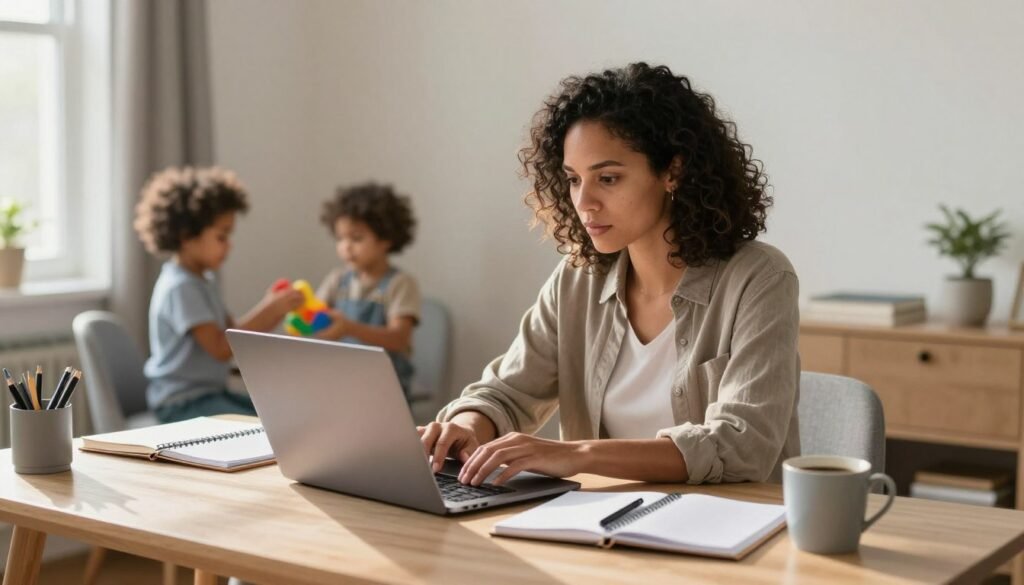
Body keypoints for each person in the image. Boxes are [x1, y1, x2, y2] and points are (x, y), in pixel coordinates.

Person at [419, 62, 800, 487]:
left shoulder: (759, 278)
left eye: (608, 178)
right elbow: (508, 393)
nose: (585, 202)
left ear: (673, 171)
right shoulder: (578, 278)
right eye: (573, 180)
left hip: (728, 528)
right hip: (600, 530)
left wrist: (576, 454)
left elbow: (740, 447)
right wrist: (467, 426)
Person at [134, 166, 303, 423]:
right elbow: (221, 348)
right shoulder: (181, 287)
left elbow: (235, 332)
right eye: (221, 236)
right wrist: (271, 308)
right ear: (186, 237)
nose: (229, 245)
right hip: (182, 403)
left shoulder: (203, 280)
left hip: (209, 394)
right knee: (267, 427)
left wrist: (274, 308)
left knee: (279, 415)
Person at [315, 182, 421, 396]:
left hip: (385, 391)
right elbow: (315, 317)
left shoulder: (400, 284)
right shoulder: (337, 280)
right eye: (340, 238)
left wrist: (348, 328)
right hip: (341, 385)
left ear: (386, 239)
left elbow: (399, 338)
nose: (346, 246)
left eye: (356, 238)